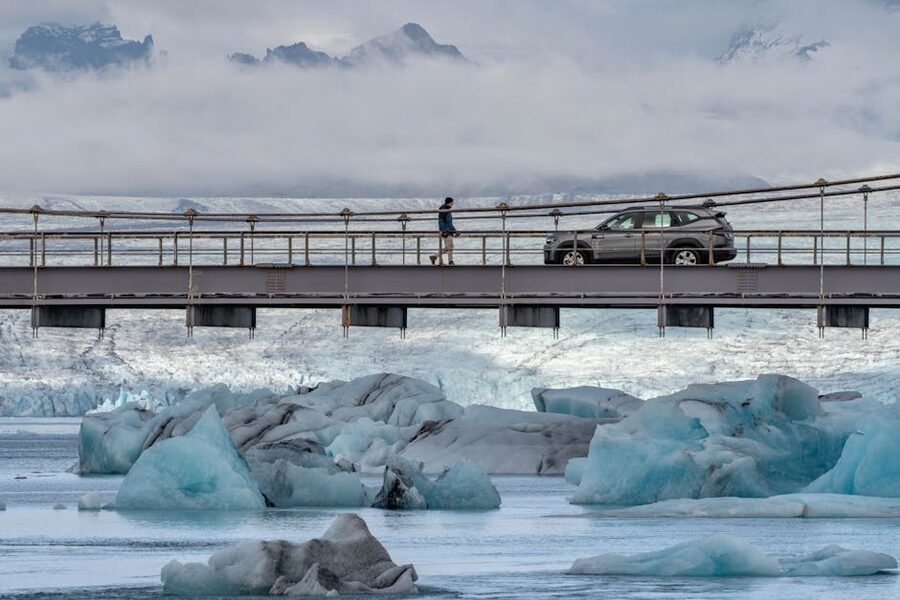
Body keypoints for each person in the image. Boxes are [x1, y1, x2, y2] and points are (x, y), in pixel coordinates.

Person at [430, 197, 458, 265]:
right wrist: (443, 231)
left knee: (448, 247)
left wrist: (455, 231)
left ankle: (435, 257)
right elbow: (441, 222)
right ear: (449, 202)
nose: (453, 204)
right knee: (449, 246)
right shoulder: (444, 210)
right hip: (446, 232)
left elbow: (449, 223)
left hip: (448, 231)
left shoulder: (446, 210)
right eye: (452, 202)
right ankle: (450, 261)